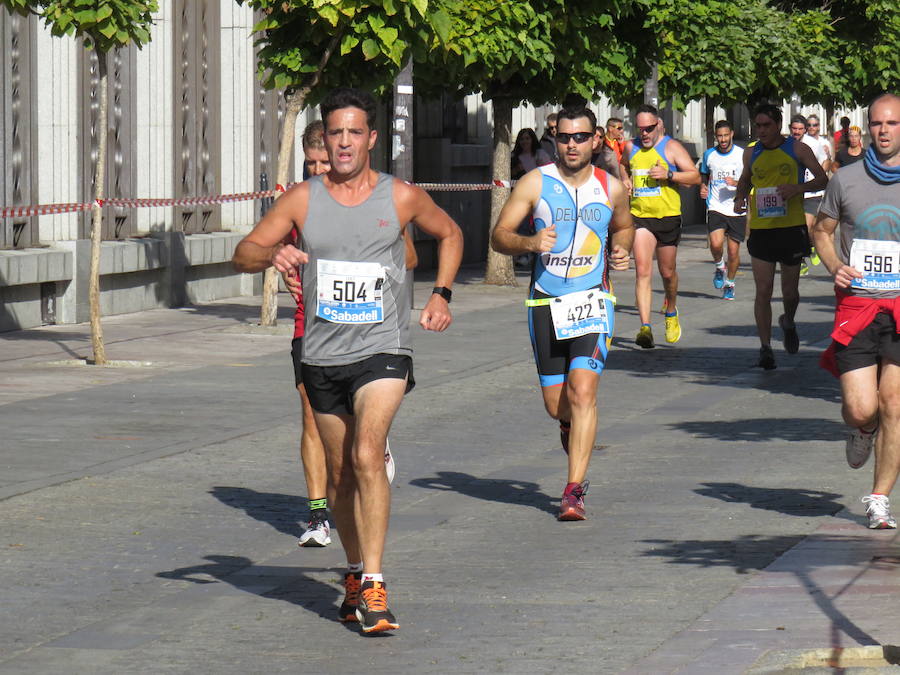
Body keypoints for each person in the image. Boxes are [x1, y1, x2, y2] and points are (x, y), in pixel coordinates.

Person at [233, 87, 464, 633]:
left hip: (384, 347)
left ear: (371, 139)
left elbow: (449, 233)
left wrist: (442, 294)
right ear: (326, 137)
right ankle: (356, 571)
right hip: (321, 353)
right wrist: (275, 252)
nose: (343, 142)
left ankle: (378, 584)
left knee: (367, 452)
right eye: (335, 132)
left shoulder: (400, 195)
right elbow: (244, 252)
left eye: (353, 132)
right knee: (339, 476)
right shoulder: (302, 198)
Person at [491, 105, 634, 521]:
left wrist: (621, 247)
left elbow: (623, 226)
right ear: (555, 140)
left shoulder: (611, 187)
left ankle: (574, 490)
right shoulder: (536, 182)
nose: (572, 144)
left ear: (595, 140)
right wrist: (531, 243)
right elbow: (500, 236)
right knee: (558, 405)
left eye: (580, 137)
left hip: (593, 301)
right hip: (546, 303)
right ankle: (569, 427)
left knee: (584, 391)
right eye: (564, 138)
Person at [285, 121, 416, 548]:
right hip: (314, 327)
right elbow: (270, 249)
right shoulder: (298, 203)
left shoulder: (374, 201)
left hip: (370, 333)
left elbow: (409, 256)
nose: (318, 168)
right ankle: (318, 512)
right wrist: (281, 260)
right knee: (310, 414)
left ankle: (372, 441)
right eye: (311, 163)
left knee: (360, 440)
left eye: (324, 160)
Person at [813, 93, 900, 529]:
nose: (884, 131)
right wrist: (835, 266)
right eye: (878, 124)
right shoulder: (845, 180)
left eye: (893, 123)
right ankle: (861, 429)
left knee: (895, 403)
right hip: (859, 305)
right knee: (863, 408)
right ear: (867, 128)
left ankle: (880, 497)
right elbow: (822, 229)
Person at [734, 103, 828, 369]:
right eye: (757, 125)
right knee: (763, 290)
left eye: (766, 125)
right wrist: (741, 197)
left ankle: (788, 319)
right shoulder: (751, 153)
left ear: (778, 125)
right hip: (762, 231)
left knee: (790, 291)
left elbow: (823, 179)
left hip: (791, 228)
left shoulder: (797, 149)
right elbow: (746, 179)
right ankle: (765, 348)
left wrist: (798, 188)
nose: (761, 130)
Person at [619, 104, 700, 348]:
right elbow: (623, 165)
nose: (643, 133)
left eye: (649, 128)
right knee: (642, 271)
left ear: (658, 126)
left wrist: (669, 175)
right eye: (640, 128)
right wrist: (625, 179)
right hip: (640, 216)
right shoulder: (631, 147)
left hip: (668, 217)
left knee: (667, 273)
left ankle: (671, 310)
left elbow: (695, 177)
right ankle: (645, 328)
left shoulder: (671, 147)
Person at [699, 120, 745, 299]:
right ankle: (719, 267)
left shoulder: (742, 155)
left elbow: (751, 180)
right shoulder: (709, 155)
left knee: (733, 252)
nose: (723, 139)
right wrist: (703, 186)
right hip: (716, 205)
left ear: (732, 134)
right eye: (720, 136)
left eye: (726, 135)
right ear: (716, 137)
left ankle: (730, 283)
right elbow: (704, 173)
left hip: (736, 207)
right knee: (716, 244)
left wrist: (737, 183)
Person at [789, 114, 830, 271]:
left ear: (805, 130)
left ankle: (812, 246)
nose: (797, 132)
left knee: (807, 226)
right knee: (795, 228)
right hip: (793, 193)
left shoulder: (813, 144)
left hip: (812, 192)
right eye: (794, 129)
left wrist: (820, 174)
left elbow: (825, 160)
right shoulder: (786, 145)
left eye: (800, 129)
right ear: (790, 129)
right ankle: (800, 261)